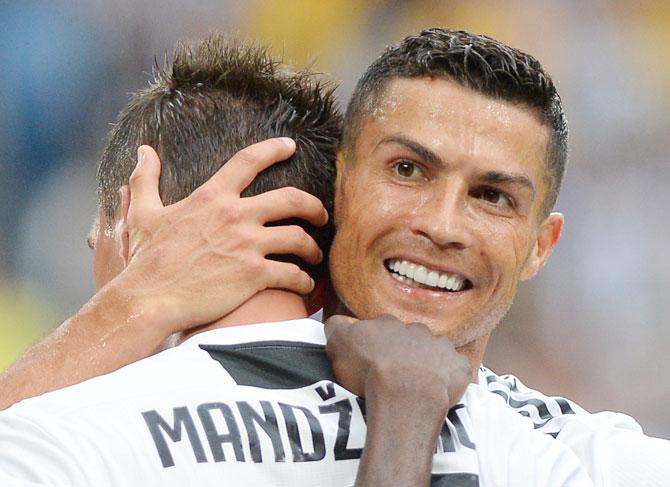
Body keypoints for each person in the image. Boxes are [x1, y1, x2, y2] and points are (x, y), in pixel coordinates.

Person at [2, 28, 667, 485]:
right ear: (339, 190)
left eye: (492, 196)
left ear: (541, 247)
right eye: (408, 170)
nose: (441, 224)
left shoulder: (583, 458)